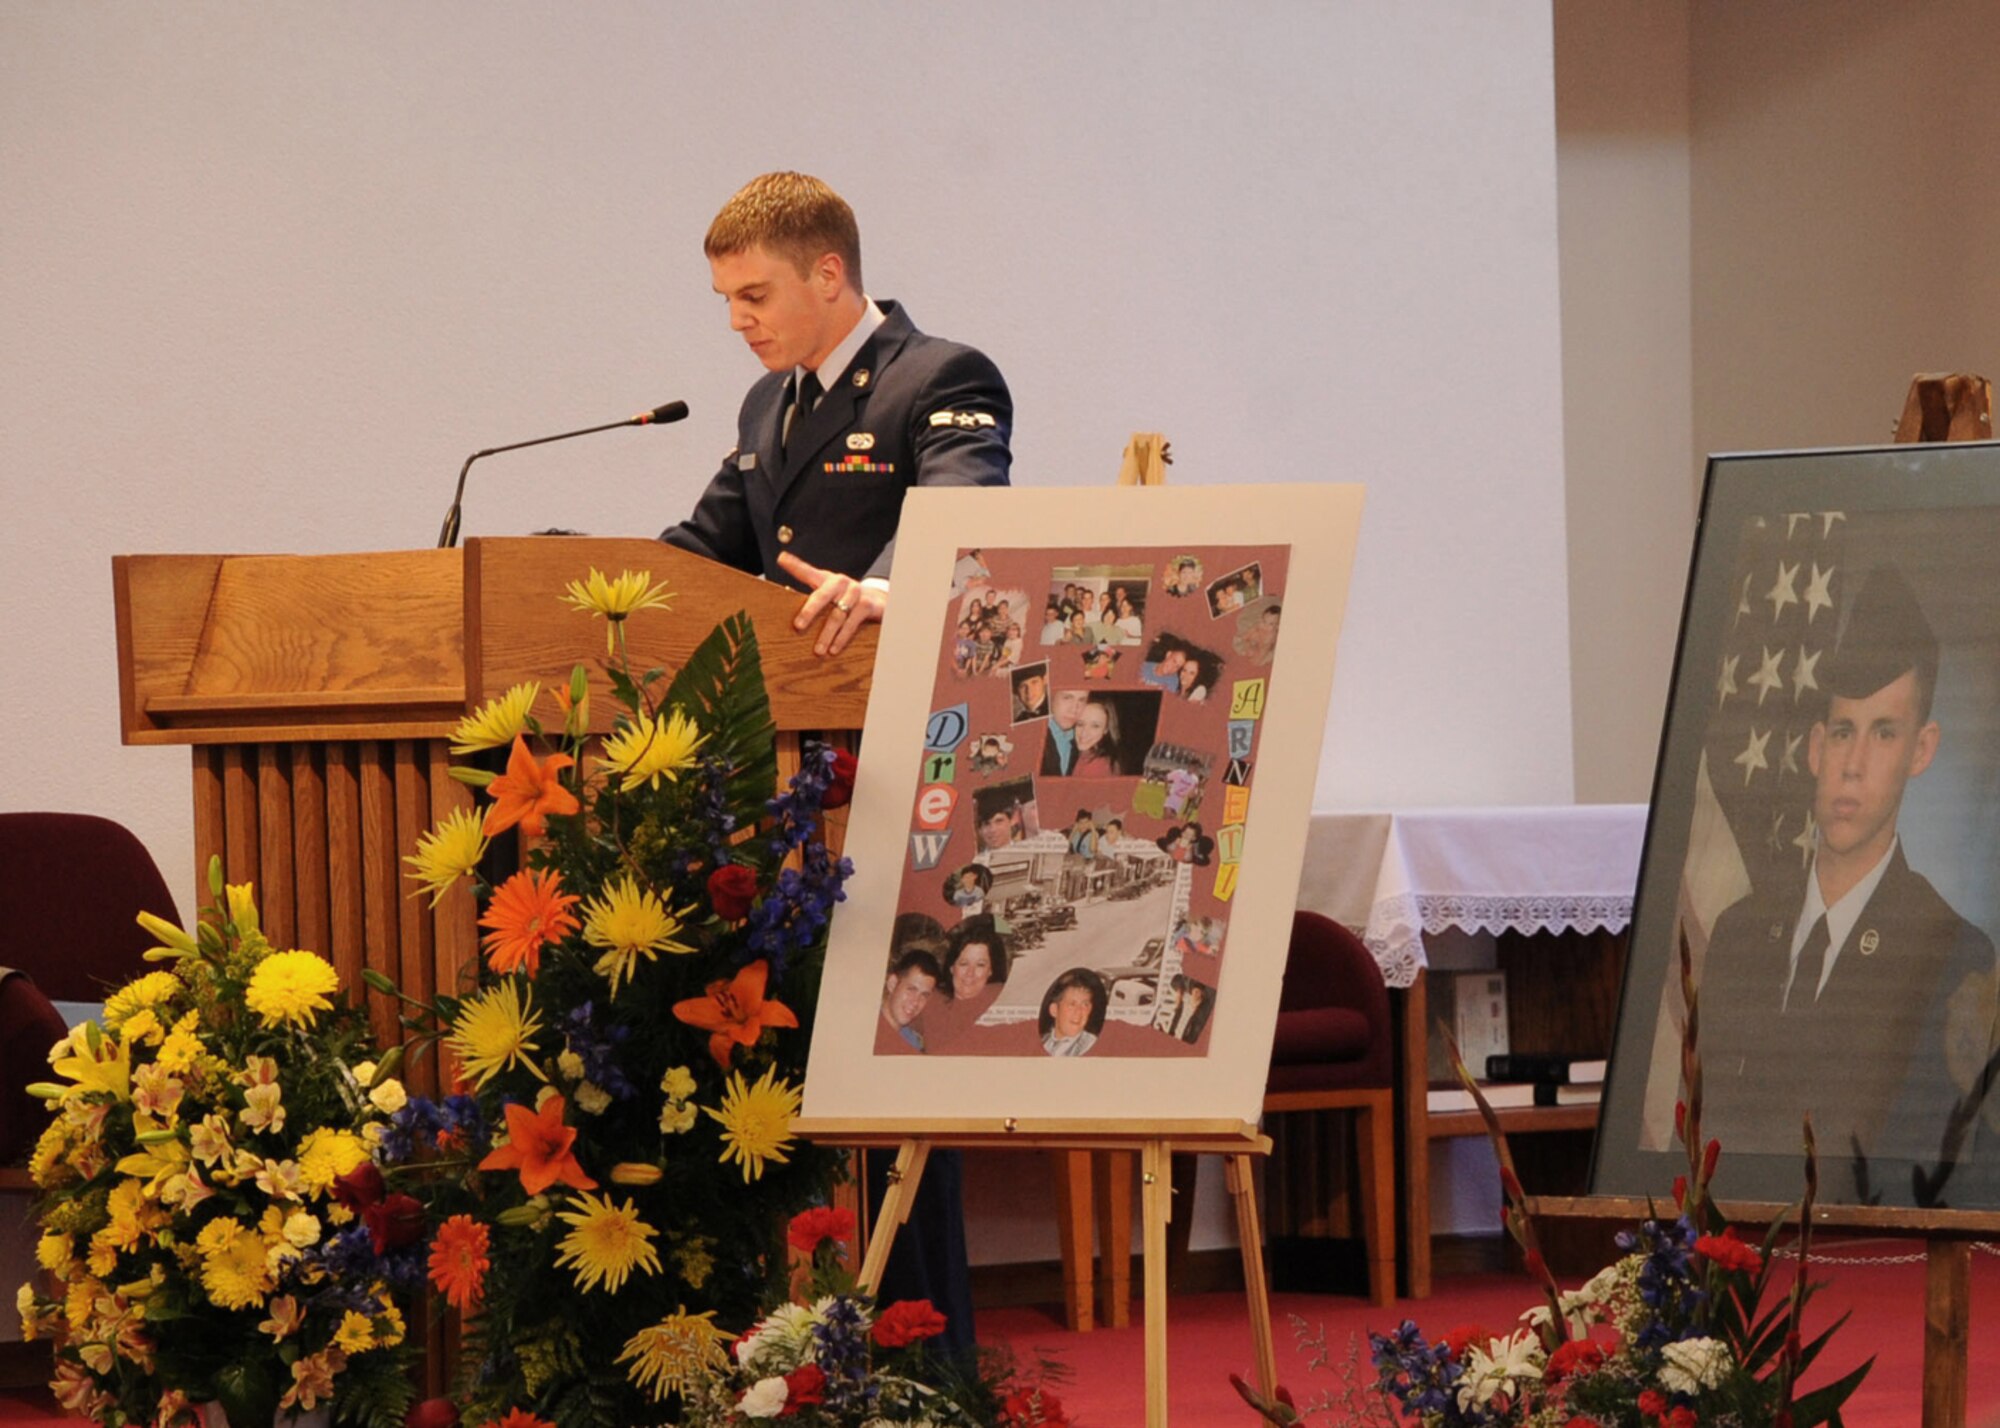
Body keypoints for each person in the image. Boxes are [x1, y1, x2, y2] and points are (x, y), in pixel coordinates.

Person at [1702, 565, 1998, 1174]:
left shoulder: (1952, 953)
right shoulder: (1737, 936)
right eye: (1843, 732)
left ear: (1922, 749)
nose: (1854, 765)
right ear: (1815, 749)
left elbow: (1933, 1178)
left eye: (1884, 733)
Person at [660, 171, 1012, 658]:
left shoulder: (940, 376)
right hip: (794, 704)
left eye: (755, 297)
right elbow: (710, 546)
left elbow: (963, 507)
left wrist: (885, 588)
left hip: (891, 687)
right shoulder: (765, 401)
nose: (736, 321)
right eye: (728, 299)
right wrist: (589, 577)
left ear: (828, 274)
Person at [1040, 968, 1108, 1057]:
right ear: (1054, 1010)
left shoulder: (1091, 1045)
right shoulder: (1044, 1041)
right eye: (1072, 1004)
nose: (1079, 1012)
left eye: (1085, 1005)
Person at [1040, 689, 1088, 775]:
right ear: (1051, 698)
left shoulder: (1082, 739)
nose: (1074, 709)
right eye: (1067, 698)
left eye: (1081, 700)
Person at [1072, 696, 1121, 778]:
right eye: (1080, 724)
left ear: (1106, 729)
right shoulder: (1087, 754)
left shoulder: (1097, 766)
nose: (1084, 733)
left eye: (1095, 726)